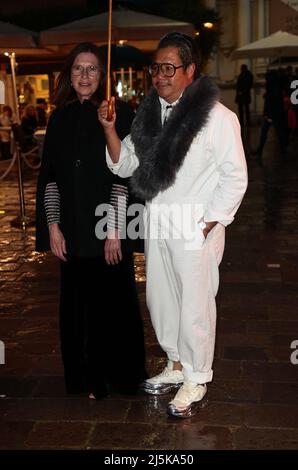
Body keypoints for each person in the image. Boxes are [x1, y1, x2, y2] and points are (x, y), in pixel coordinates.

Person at [98, 32, 248, 418]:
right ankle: (177, 361)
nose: (160, 75)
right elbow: (125, 163)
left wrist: (206, 225)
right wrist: (110, 129)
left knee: (195, 304)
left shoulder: (217, 117)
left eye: (169, 67)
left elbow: (236, 178)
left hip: (194, 228)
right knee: (161, 301)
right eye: (156, 67)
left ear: (190, 70)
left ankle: (196, 376)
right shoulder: (149, 115)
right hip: (157, 223)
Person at [35, 42, 147, 400]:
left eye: (92, 69)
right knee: (76, 308)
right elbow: (50, 177)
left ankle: (119, 378)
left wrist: (115, 229)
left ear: (103, 75)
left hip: (108, 227)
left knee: (114, 306)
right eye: (78, 69)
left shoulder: (120, 111)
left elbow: (124, 176)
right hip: (71, 230)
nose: (85, 75)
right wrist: (53, 226)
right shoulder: (58, 118)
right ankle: (82, 379)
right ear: (69, 75)